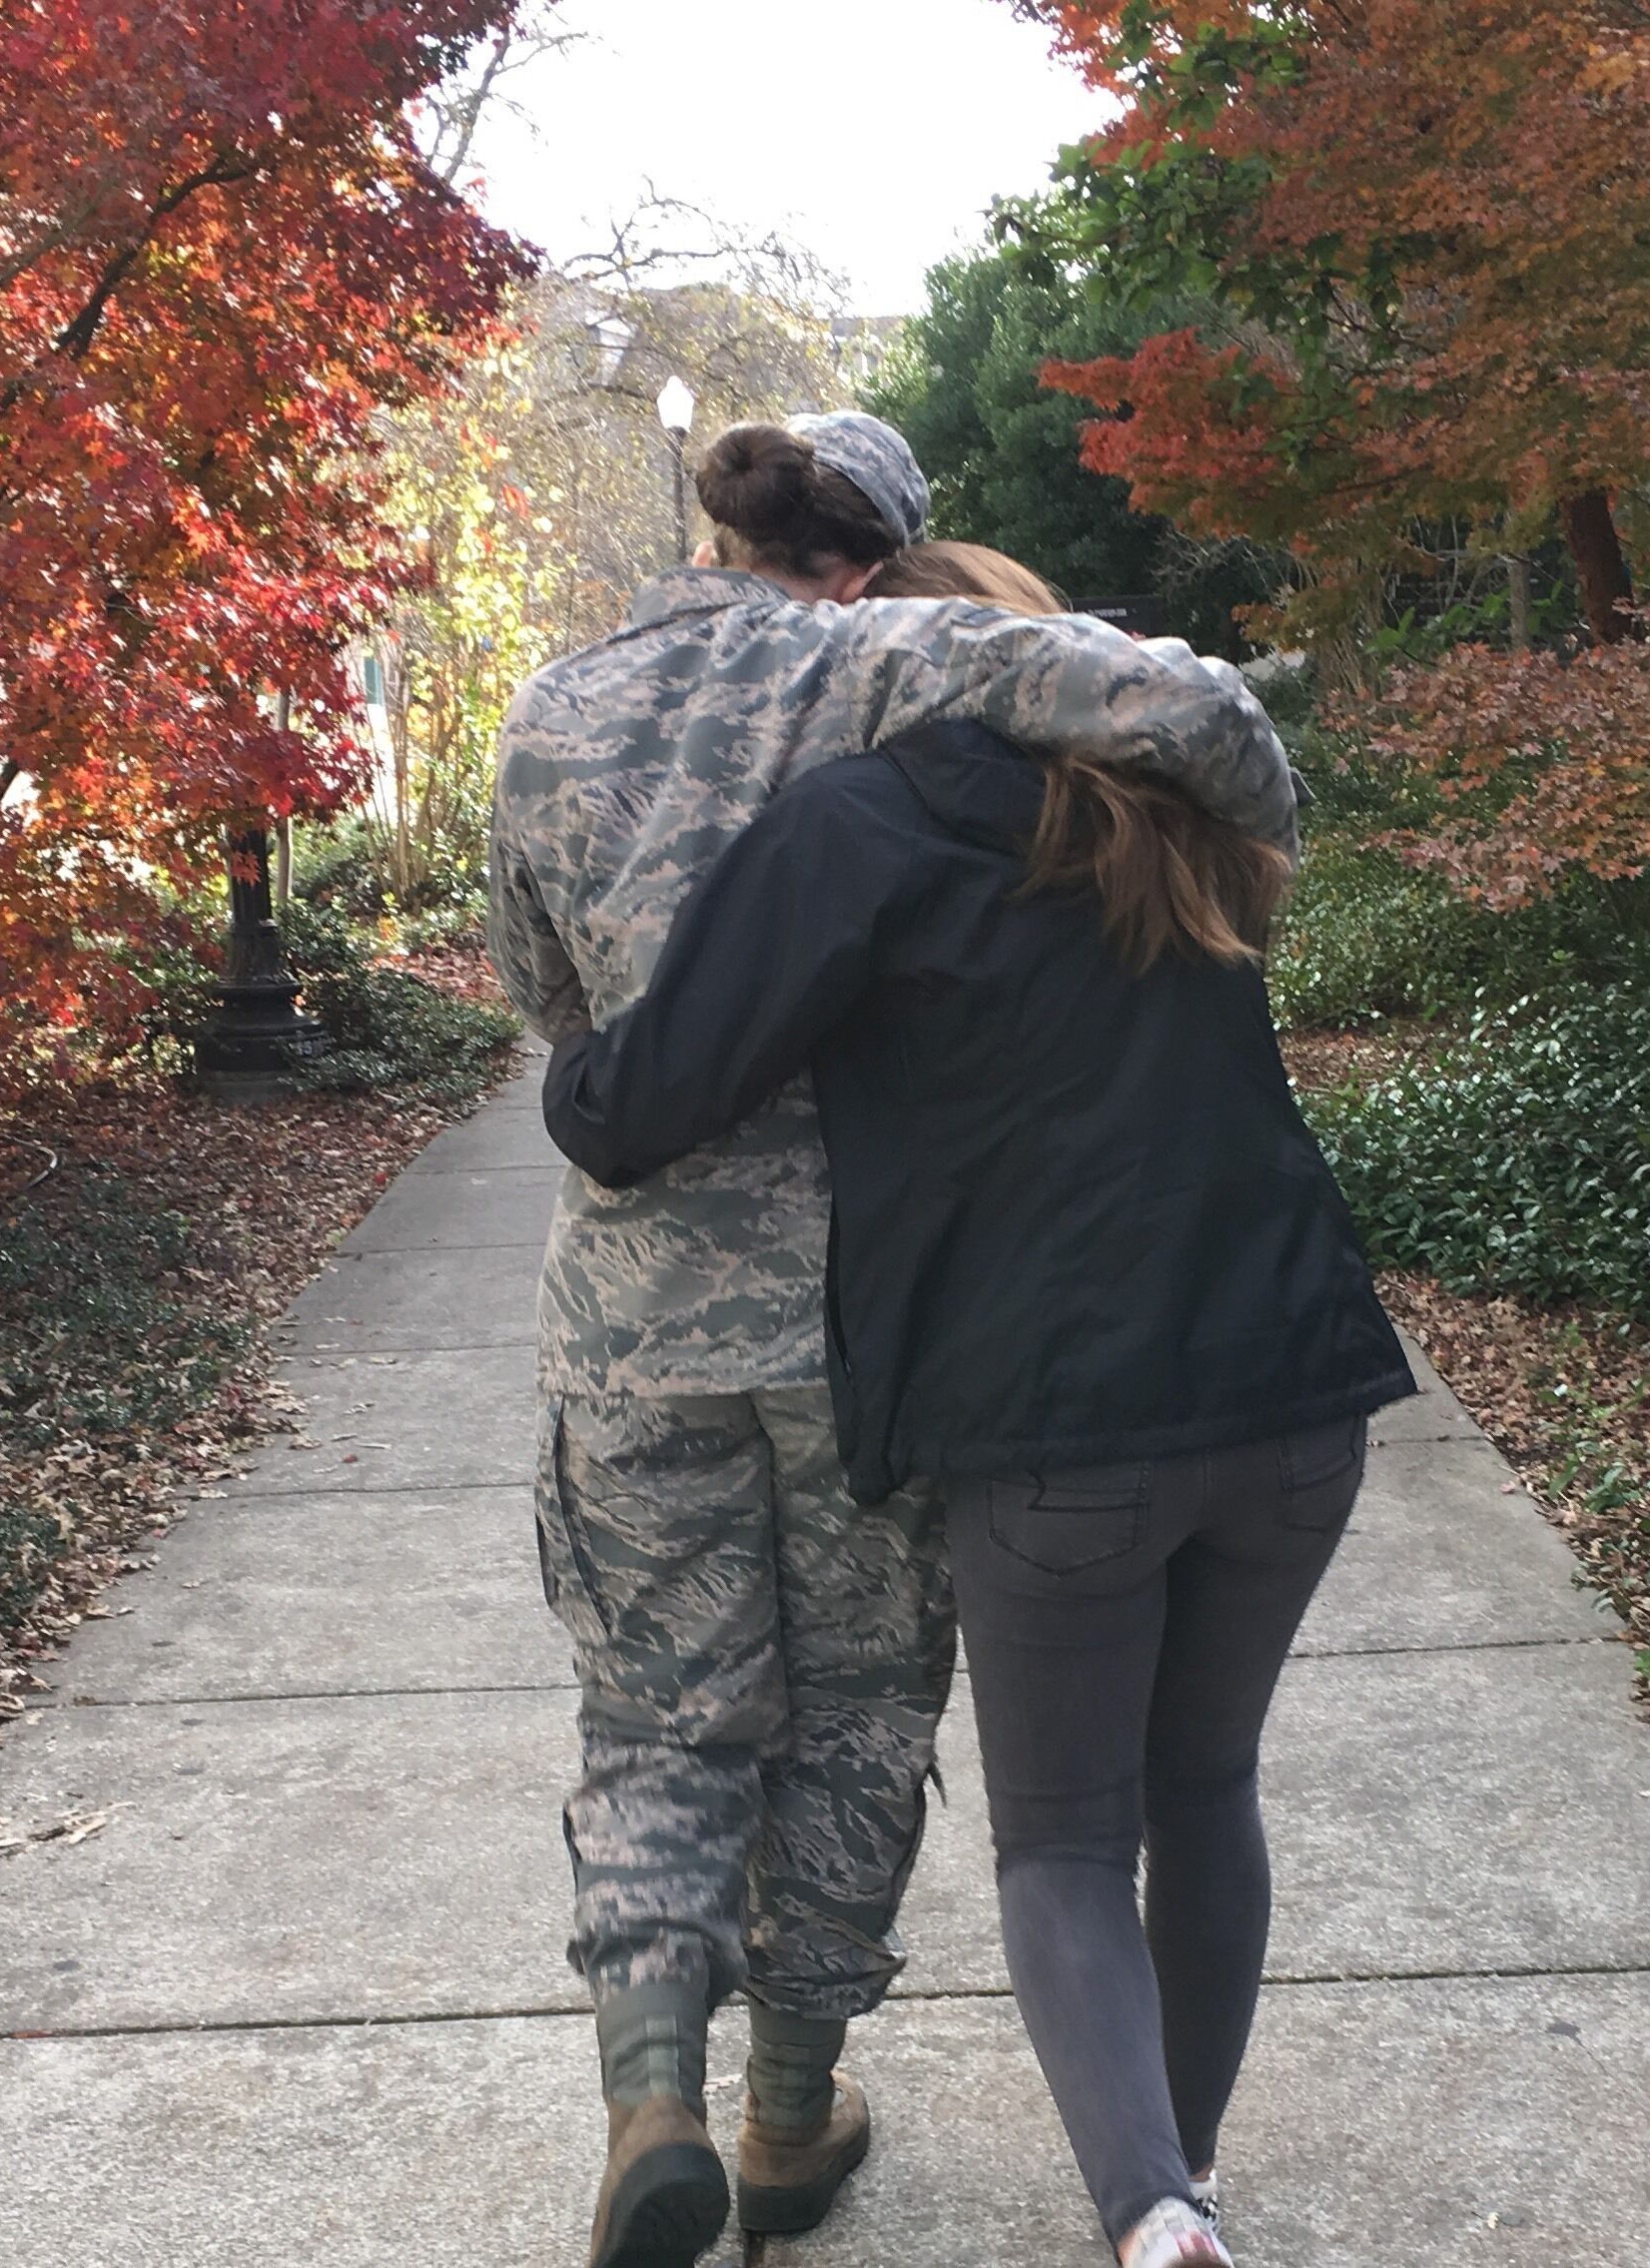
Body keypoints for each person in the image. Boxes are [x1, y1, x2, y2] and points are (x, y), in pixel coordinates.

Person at [539, 540, 1415, 2268]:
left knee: (1068, 1845)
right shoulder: (1174, 816)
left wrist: (564, 1058)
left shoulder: (867, 819)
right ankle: (1189, 2169)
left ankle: (1155, 2219)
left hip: (1057, 1421)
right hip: (1299, 1385)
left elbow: (651, 1097)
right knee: (1207, 1788)